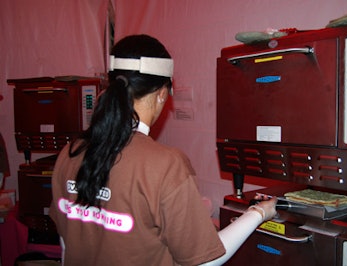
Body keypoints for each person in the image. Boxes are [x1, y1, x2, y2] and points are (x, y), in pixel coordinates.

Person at [49, 34, 277, 266]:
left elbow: (66, 245)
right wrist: (258, 213)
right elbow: (203, 262)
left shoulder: (70, 153)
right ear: (161, 93)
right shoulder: (165, 164)